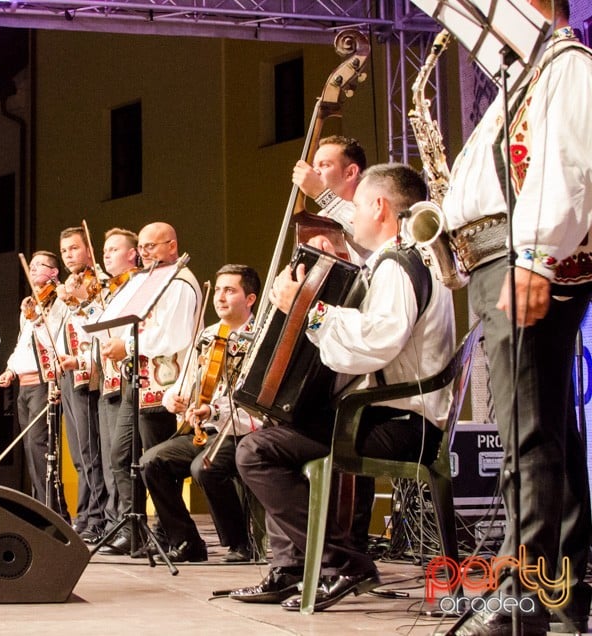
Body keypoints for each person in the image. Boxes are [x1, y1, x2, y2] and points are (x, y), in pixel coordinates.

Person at [229, 164, 454, 610]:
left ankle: (342, 563)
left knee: (256, 452)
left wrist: (307, 311)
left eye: (356, 206)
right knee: (279, 428)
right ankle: (296, 568)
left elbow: (375, 341)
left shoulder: (396, 263)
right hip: (403, 415)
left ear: (378, 206)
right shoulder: (415, 256)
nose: (351, 218)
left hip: (402, 424)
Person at [441, 3, 592, 633]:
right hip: (497, 257)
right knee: (546, 430)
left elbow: (569, 166)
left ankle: (520, 596)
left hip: (520, 254)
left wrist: (536, 256)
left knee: (527, 437)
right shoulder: (526, 75)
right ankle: (566, 589)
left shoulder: (565, 63)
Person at [139, 264, 263, 563]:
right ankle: (187, 541)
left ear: (250, 299)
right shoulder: (208, 335)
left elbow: (252, 400)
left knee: (205, 467)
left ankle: (240, 543)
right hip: (205, 430)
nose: (220, 297)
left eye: (229, 290)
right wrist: (176, 399)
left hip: (243, 430)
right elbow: (185, 381)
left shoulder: (260, 338)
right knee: (150, 462)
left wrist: (213, 410)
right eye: (218, 290)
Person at [95, 221, 202, 557]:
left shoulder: (181, 282)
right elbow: (113, 314)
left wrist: (124, 346)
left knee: (156, 460)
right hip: (137, 380)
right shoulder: (146, 280)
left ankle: (173, 533)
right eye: (141, 247)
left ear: (172, 245)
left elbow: (173, 336)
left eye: (152, 246)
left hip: (163, 384)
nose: (144, 252)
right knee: (122, 455)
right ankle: (134, 528)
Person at [0, 251, 67, 515]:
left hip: (43, 382)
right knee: (30, 447)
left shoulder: (58, 302)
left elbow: (53, 340)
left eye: (41, 265)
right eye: (33, 265)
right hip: (24, 385)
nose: (34, 268)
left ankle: (54, 509)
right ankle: (42, 506)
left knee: (41, 446)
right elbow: (22, 345)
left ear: (54, 272)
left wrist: (38, 319)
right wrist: (11, 369)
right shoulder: (31, 306)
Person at [54, 226, 108, 542]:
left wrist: (79, 300)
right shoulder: (68, 287)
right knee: (77, 453)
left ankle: (97, 517)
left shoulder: (97, 284)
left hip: (88, 373)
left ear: (89, 248)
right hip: (68, 373)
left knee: (90, 450)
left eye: (74, 248)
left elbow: (97, 327)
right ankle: (85, 515)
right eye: (64, 251)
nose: (69, 255)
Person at [95, 228, 140, 539]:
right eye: (105, 249)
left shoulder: (137, 286)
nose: (106, 254)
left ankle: (131, 525)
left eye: (114, 249)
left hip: (132, 375)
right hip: (109, 377)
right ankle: (121, 523)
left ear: (132, 254)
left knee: (123, 456)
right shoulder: (112, 290)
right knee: (114, 455)